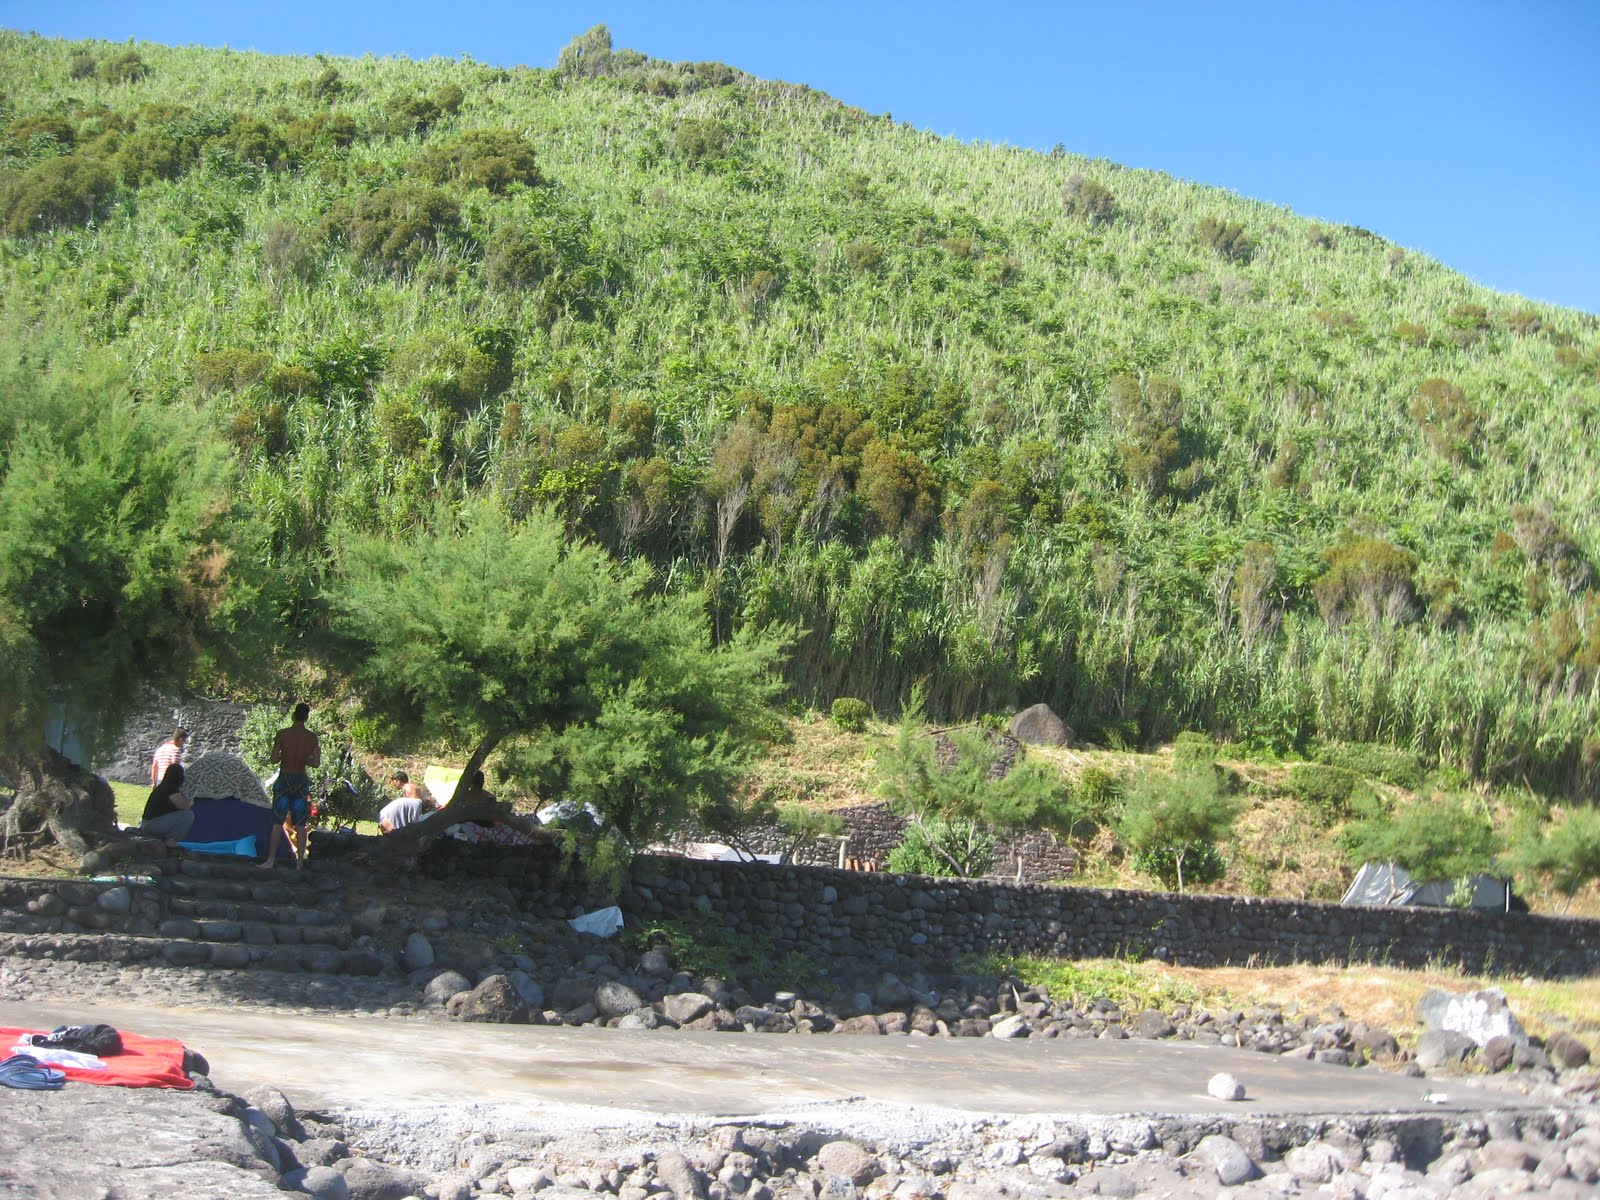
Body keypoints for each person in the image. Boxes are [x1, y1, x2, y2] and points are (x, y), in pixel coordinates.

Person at [265, 702, 320, 869]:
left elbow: (273, 759)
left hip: (285, 778)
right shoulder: (311, 738)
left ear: (293, 716)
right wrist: (304, 759)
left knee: (277, 822)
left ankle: (270, 860)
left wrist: (285, 755)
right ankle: (300, 862)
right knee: (301, 824)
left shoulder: (282, 734)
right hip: (300, 780)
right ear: (306, 717)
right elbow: (316, 763)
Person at [138, 763, 194, 847]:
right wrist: (192, 801)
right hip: (151, 825)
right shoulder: (169, 788)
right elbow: (183, 806)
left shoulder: (162, 787)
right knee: (188, 815)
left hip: (147, 824)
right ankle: (171, 841)